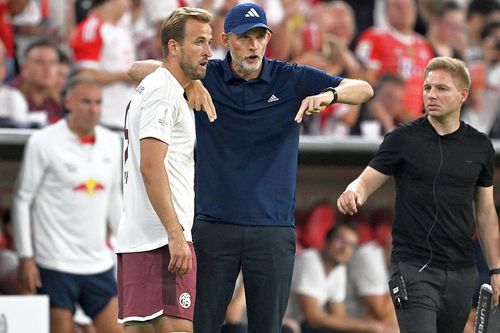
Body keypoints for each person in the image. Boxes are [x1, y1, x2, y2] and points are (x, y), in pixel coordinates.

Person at [128, 3, 373, 333]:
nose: (254, 45)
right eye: (245, 37)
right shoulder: (207, 73)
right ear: (226, 39)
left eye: (260, 36)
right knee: (200, 326)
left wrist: (329, 95)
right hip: (214, 227)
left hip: (272, 230)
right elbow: (136, 69)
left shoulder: (291, 78)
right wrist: (184, 78)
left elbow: (363, 89)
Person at [337, 56, 500, 333]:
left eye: (441, 89)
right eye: (427, 88)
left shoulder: (480, 147)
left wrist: (496, 270)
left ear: (463, 95)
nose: (431, 95)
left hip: (461, 271)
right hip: (413, 267)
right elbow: (364, 181)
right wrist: (353, 191)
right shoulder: (402, 139)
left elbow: (485, 213)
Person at [114, 7, 213, 333]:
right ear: (173, 47)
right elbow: (152, 165)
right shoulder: (165, 90)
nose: (208, 52)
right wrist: (175, 233)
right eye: (199, 42)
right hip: (163, 240)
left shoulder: (156, 85)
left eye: (210, 42)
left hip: (137, 239)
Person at [12, 76, 123, 333]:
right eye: (85, 101)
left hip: (98, 263)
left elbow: (114, 198)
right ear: (68, 102)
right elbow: (21, 198)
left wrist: (124, 248)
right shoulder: (43, 142)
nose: (92, 109)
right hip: (55, 263)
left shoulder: (111, 141)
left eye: (98, 102)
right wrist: (25, 257)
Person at [286, 222, 390, 333]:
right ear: (327, 240)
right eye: (340, 241)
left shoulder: (339, 269)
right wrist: (369, 327)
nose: (345, 248)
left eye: (351, 245)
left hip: (301, 324)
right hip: (284, 322)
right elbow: (313, 318)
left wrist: (371, 326)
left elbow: (339, 317)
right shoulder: (310, 260)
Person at [70, 0, 136, 130]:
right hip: (105, 117)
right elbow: (85, 74)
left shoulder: (122, 30)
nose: (129, 4)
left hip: (126, 116)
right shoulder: (92, 28)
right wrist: (123, 76)